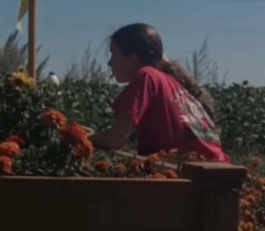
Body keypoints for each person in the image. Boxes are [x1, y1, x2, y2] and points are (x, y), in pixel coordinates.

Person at [90, 23, 229, 161]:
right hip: (217, 167)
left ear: (133, 58)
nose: (109, 63)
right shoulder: (169, 81)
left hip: (195, 171)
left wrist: (84, 138)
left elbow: (115, 139)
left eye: (113, 54)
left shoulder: (146, 76)